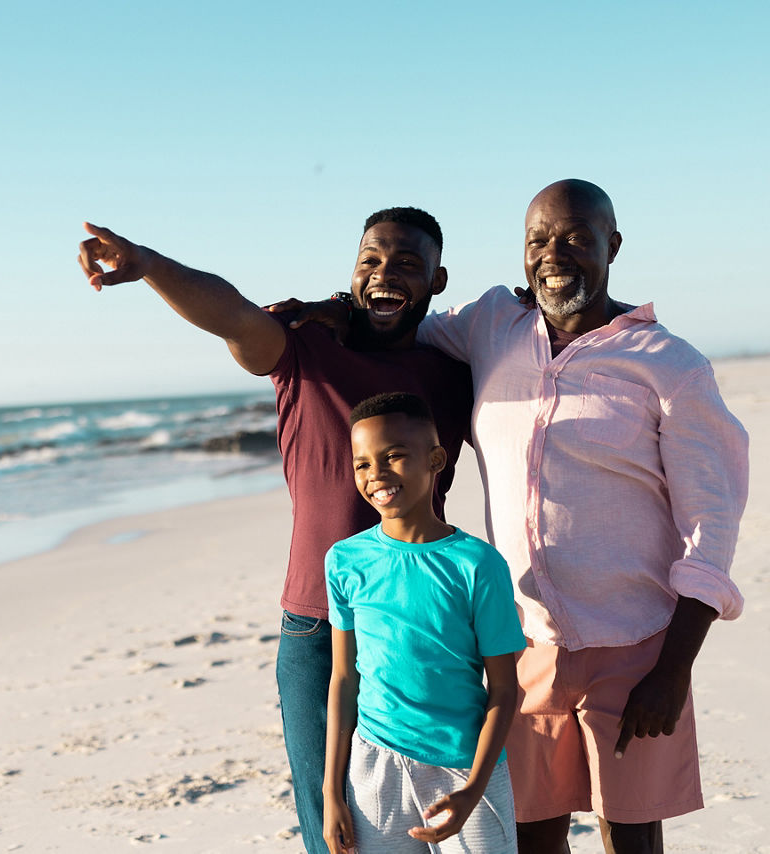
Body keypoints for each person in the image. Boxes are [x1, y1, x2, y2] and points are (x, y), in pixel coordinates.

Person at [286, 180, 749, 854]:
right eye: (538, 240)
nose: (553, 254)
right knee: (529, 836)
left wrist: (674, 667)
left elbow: (713, 521)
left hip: (636, 644)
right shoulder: (490, 326)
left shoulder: (669, 364)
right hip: (521, 642)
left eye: (575, 238)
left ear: (611, 245)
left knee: (631, 837)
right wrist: (336, 310)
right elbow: (399, 321)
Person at [77, 208, 474, 854]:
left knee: (424, 822)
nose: (384, 274)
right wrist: (148, 265)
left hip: (420, 620)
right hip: (318, 630)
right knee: (335, 829)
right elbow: (231, 315)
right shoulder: (305, 350)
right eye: (370, 260)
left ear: (437, 279)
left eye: (407, 264)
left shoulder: (453, 374)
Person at [323, 392, 524, 854]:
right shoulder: (344, 561)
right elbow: (342, 679)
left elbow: (505, 689)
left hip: (464, 766)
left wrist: (474, 789)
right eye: (362, 464)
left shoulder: (477, 564)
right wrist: (332, 792)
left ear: (436, 459)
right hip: (375, 765)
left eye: (393, 456)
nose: (376, 475)